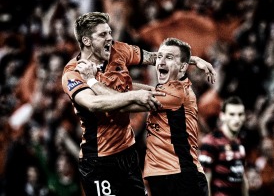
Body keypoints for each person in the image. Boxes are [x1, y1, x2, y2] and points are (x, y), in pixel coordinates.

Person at [62, 12, 216, 196]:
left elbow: (153, 57)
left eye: (110, 33)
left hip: (128, 153)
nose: (110, 38)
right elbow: (94, 103)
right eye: (103, 35)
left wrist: (191, 60)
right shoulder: (73, 73)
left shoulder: (119, 50)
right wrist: (135, 96)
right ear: (86, 41)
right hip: (99, 160)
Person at [139, 38, 209, 196]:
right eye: (159, 57)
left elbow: (130, 100)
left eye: (169, 57)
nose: (161, 62)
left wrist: (95, 83)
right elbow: (137, 91)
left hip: (181, 175)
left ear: (183, 67)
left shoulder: (177, 92)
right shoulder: (164, 90)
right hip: (162, 175)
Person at [199, 96, 249, 196]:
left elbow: (241, 176)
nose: (237, 119)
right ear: (222, 116)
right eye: (232, 114)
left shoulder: (240, 142)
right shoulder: (211, 142)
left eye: (240, 114)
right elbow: (204, 180)